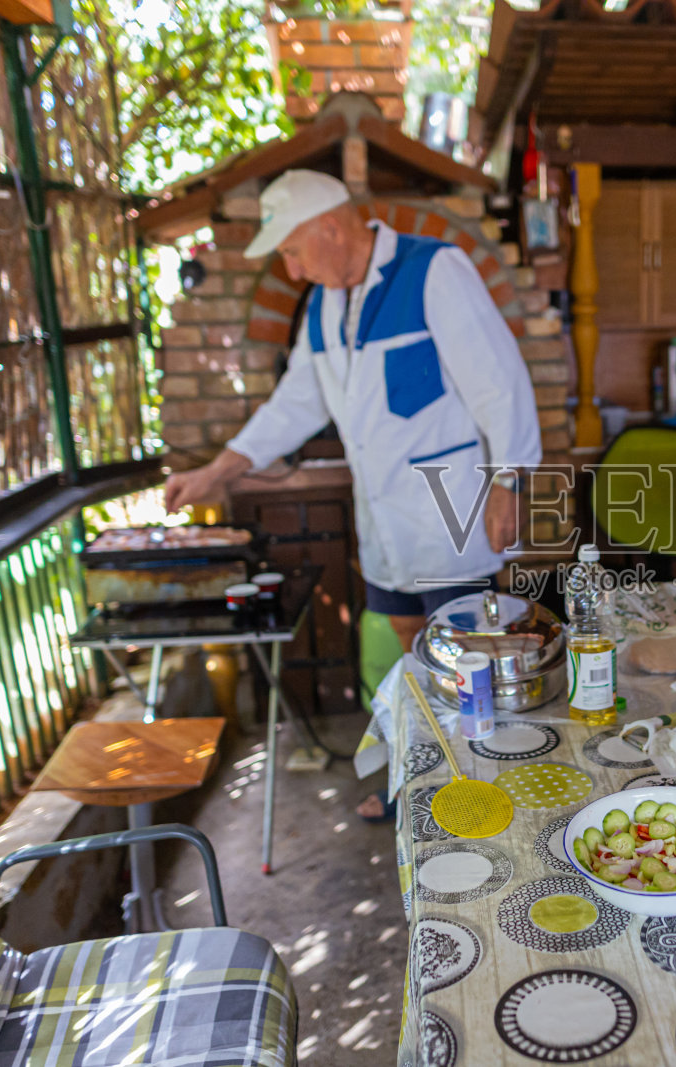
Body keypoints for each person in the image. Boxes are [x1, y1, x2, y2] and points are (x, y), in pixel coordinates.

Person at [164, 170, 541, 818]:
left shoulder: (433, 270)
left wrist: (510, 478)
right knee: (404, 646)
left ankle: (478, 789)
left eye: (293, 250)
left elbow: (499, 382)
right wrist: (218, 471)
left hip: (448, 508)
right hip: (383, 516)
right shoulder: (323, 305)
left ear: (331, 228)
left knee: (465, 655)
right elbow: (296, 403)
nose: (292, 268)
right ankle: (414, 783)